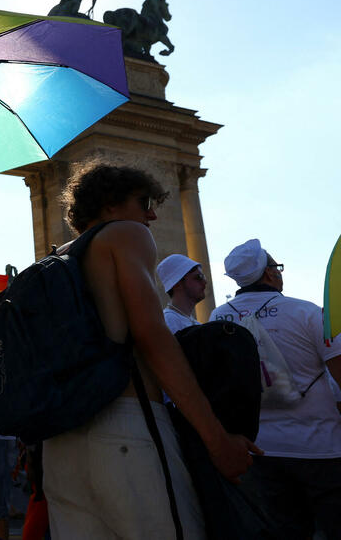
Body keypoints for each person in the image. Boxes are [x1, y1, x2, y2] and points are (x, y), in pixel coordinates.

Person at [42, 162, 257, 539]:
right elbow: (152, 337)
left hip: (60, 446)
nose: (152, 215)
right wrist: (216, 439)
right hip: (124, 427)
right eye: (143, 202)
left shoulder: (52, 262)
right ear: (110, 205)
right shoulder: (125, 235)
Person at [211, 238, 341, 538]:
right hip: (321, 447)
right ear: (269, 273)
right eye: (277, 267)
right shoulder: (306, 312)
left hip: (261, 450)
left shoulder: (218, 318)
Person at [157, 253, 207, 334]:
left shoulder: (195, 323)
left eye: (203, 276)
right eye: (198, 277)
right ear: (177, 284)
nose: (204, 282)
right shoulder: (169, 321)